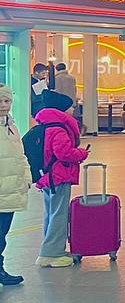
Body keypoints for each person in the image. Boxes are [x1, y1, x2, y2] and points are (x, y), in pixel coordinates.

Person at [31, 90, 89, 268]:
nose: (73, 110)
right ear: (62, 109)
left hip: (47, 176)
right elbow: (63, 153)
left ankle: (51, 248)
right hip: (59, 176)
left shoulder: (46, 125)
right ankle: (51, 253)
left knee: (51, 213)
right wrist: (81, 153)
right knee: (59, 214)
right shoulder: (59, 129)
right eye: (71, 107)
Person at [0, 84, 30, 285]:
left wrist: (26, 178)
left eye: (7, 101)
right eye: (0, 101)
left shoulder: (11, 126)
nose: (4, 105)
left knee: (2, 234)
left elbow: (20, 156)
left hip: (11, 189)